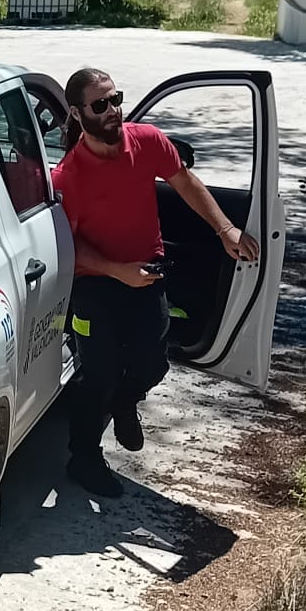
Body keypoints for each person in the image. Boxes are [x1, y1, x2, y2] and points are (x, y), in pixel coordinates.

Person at [52, 67, 260, 499]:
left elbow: (185, 182)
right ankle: (84, 457)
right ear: (77, 113)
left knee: (153, 363)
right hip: (95, 284)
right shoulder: (68, 177)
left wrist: (225, 230)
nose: (113, 111)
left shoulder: (146, 141)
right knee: (98, 374)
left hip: (148, 272)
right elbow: (68, 247)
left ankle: (126, 400)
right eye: (100, 105)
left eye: (116, 99)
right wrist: (116, 270)